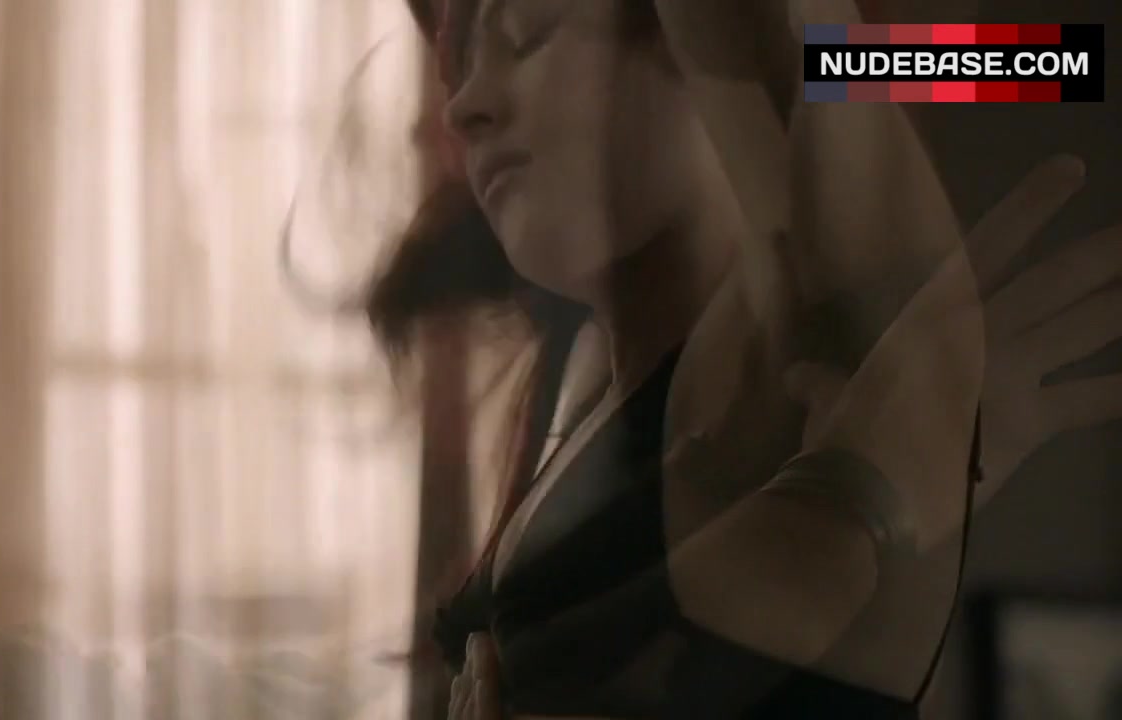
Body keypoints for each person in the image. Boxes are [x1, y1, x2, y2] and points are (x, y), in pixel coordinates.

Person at [358, 0, 1122, 716]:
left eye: (528, 31)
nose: (464, 105)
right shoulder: (587, 380)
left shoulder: (806, 328)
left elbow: (1047, 62)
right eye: (462, 61)